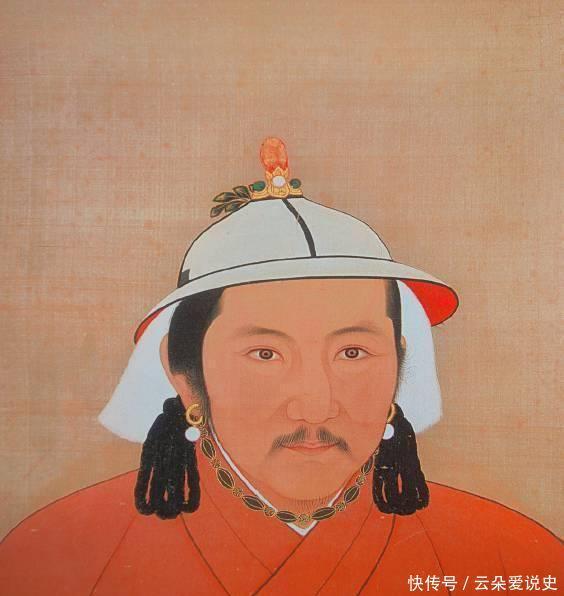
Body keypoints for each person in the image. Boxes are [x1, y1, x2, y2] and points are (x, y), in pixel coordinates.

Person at [0, 138, 561, 595]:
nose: (315, 405)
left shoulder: (507, 553)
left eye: (353, 353)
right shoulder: (55, 551)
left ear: (399, 363)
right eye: (265, 354)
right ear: (184, 370)